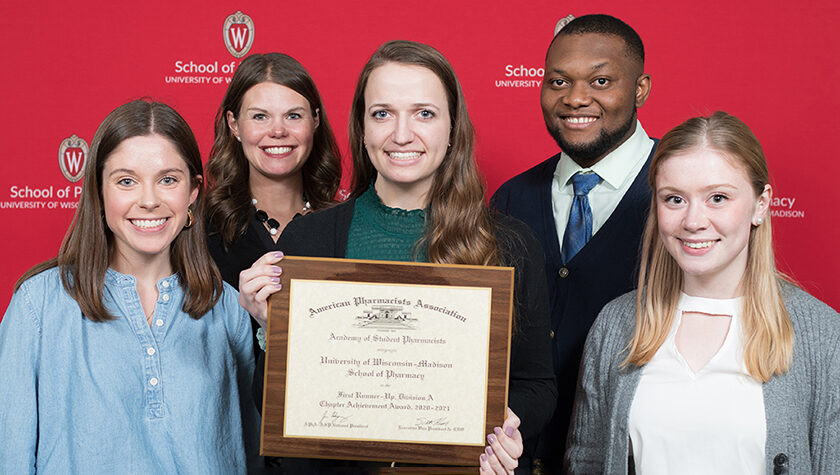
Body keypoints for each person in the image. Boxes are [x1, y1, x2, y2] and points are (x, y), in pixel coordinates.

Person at [239, 40, 557, 474]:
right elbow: (274, 404)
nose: (401, 134)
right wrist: (267, 328)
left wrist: (503, 427)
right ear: (363, 128)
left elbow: (536, 386)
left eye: (424, 113)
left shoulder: (510, 245)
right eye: (382, 113)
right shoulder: (307, 239)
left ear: (451, 129)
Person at [566, 112, 840, 474]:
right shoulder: (616, 325)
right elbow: (586, 462)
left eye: (718, 198)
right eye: (674, 199)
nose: (693, 222)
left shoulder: (821, 334)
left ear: (761, 204)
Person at [0, 100, 260, 473]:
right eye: (126, 181)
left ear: (192, 192)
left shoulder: (229, 308)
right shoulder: (37, 306)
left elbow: (249, 455)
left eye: (168, 179)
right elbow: (11, 457)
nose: (150, 200)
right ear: (98, 191)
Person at [490, 14, 656, 468]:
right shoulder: (512, 197)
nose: (576, 98)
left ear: (640, 88)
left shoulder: (680, 192)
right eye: (558, 81)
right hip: (515, 458)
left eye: (601, 80)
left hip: (625, 455)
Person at [205, 52, 341, 291]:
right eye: (260, 116)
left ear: (315, 120)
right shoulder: (201, 228)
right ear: (234, 124)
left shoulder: (343, 224)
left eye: (293, 115)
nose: (278, 130)